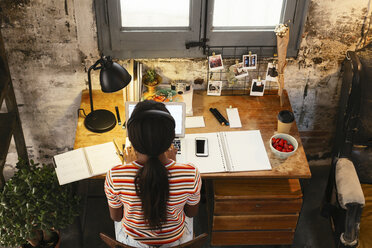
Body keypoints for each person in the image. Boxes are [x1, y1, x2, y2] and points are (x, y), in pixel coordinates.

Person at [104, 100, 201, 247]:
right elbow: (190, 213)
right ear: (171, 139)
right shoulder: (191, 173)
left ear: (131, 139)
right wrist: (173, 163)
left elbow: (116, 217)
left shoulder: (115, 175)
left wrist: (128, 167)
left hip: (134, 243)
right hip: (175, 241)